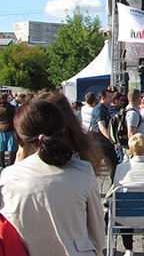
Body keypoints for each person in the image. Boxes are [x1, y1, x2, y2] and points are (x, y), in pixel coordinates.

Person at [0, 98, 105, 256]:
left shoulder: (9, 177)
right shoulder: (83, 171)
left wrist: (18, 162)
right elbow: (98, 235)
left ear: (21, 138)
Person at [90, 88, 118, 182]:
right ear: (103, 98)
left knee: (114, 165)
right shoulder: (99, 109)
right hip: (100, 142)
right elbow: (101, 127)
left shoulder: (106, 109)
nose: (111, 99)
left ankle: (114, 186)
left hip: (105, 142)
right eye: (109, 97)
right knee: (97, 166)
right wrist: (112, 140)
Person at [0, 93, 17, 168]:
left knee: (1, 147)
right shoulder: (12, 107)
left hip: (1, 130)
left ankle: (1, 164)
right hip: (10, 128)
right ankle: (11, 164)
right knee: (11, 148)